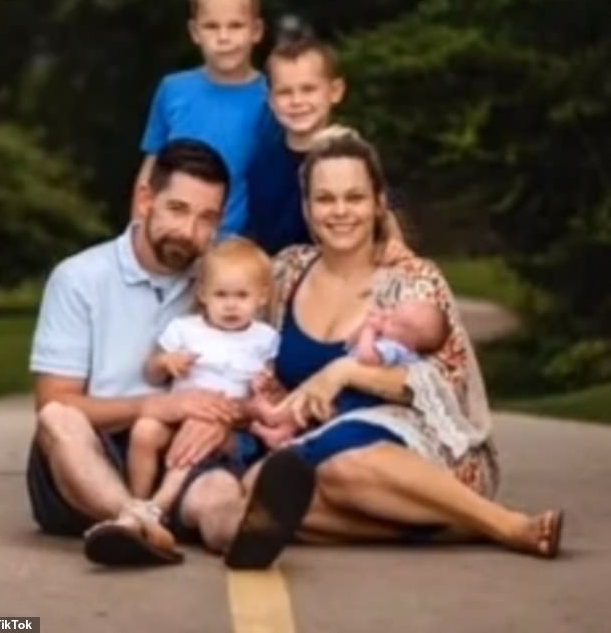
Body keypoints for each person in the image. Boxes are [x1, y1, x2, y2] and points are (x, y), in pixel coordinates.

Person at [169, 125, 563, 568]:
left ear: (377, 203)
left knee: (341, 466)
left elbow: (445, 387)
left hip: (420, 451)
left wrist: (345, 372)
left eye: (353, 198)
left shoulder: (412, 279)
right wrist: (219, 412)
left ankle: (505, 523)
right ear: (307, 206)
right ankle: (442, 527)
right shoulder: (284, 273)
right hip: (304, 452)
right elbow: (227, 338)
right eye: (325, 199)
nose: (339, 212)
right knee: (258, 488)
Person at [25, 139, 315, 567]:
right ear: (146, 200)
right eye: (178, 209)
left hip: (185, 448)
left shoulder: (220, 278)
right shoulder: (79, 278)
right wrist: (159, 404)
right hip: (91, 453)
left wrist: (225, 416)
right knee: (57, 419)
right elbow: (56, 400)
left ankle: (246, 530)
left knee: (217, 495)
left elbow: (249, 372)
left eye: (207, 218)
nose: (190, 231)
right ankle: (133, 518)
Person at [127, 237, 279, 516]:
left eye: (241, 296)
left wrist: (264, 383)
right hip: (175, 418)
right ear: (203, 294)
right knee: (144, 430)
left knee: (198, 431)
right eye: (221, 295)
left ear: (262, 297)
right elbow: (150, 372)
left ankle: (160, 505)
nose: (231, 305)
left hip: (231, 431)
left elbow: (271, 388)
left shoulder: (264, 338)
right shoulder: (185, 329)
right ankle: (136, 502)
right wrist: (165, 362)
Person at [131, 0, 277, 237]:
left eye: (235, 25)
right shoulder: (172, 89)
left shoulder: (272, 98)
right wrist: (137, 230)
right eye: (212, 26)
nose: (223, 37)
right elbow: (152, 167)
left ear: (256, 30)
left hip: (235, 249)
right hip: (172, 240)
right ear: (194, 31)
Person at [248, 35, 406, 255]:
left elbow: (387, 215)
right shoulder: (262, 163)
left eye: (308, 89)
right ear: (271, 100)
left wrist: (395, 246)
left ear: (335, 91)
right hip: (283, 279)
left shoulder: (355, 154)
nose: (296, 101)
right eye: (285, 92)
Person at [249, 297, 450, 449]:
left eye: (394, 322)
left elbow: (365, 357)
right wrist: (364, 327)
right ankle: (280, 433)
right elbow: (351, 343)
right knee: (311, 410)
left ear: (409, 341)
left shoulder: (393, 349)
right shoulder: (393, 341)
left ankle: (276, 418)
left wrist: (370, 330)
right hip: (348, 393)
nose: (387, 316)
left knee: (319, 416)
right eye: (391, 312)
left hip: (362, 400)